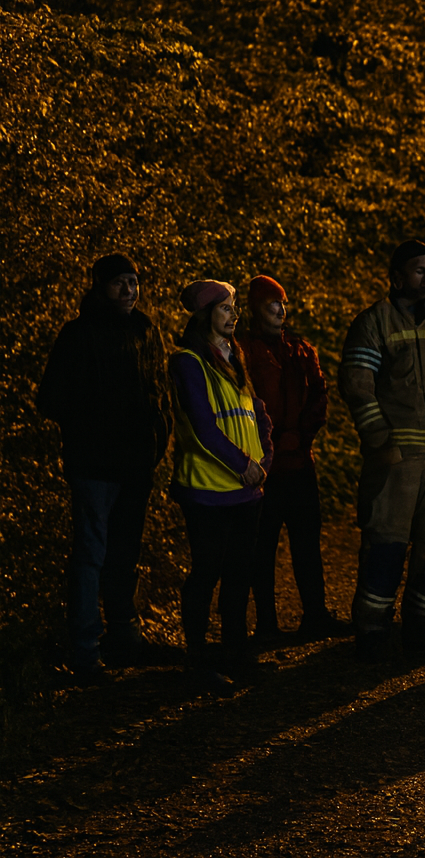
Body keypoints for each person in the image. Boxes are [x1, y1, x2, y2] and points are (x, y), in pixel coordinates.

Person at [38, 254, 173, 680]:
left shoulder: (144, 330)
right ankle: (84, 652)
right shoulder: (78, 335)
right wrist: (93, 426)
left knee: (123, 553)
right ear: (99, 285)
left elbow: (158, 389)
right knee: (92, 555)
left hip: (136, 465)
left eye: (134, 282)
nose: (129, 290)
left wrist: (157, 437)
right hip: (95, 465)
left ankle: (122, 637)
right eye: (119, 282)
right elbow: (50, 399)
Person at [339, 240, 425, 661]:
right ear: (397, 277)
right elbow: (358, 387)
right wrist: (380, 442)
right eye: (419, 270)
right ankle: (372, 632)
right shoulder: (373, 322)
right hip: (396, 460)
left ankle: (421, 627)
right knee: (387, 547)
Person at [169, 279, 273, 689]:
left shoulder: (235, 356)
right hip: (208, 491)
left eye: (233, 307)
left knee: (239, 574)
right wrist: (243, 464)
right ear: (205, 314)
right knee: (206, 572)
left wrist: (263, 460)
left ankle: (236, 656)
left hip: (247, 488)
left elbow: (256, 412)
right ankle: (196, 663)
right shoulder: (188, 361)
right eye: (225, 308)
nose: (234, 314)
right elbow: (201, 425)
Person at [237, 275, 346, 640]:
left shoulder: (300, 348)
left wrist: (301, 435)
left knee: (306, 542)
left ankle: (314, 615)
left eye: (283, 304)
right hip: (264, 469)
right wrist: (269, 442)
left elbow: (319, 394)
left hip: (300, 462)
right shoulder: (242, 351)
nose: (281, 310)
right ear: (256, 308)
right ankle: (266, 624)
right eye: (273, 304)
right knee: (261, 547)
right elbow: (242, 402)